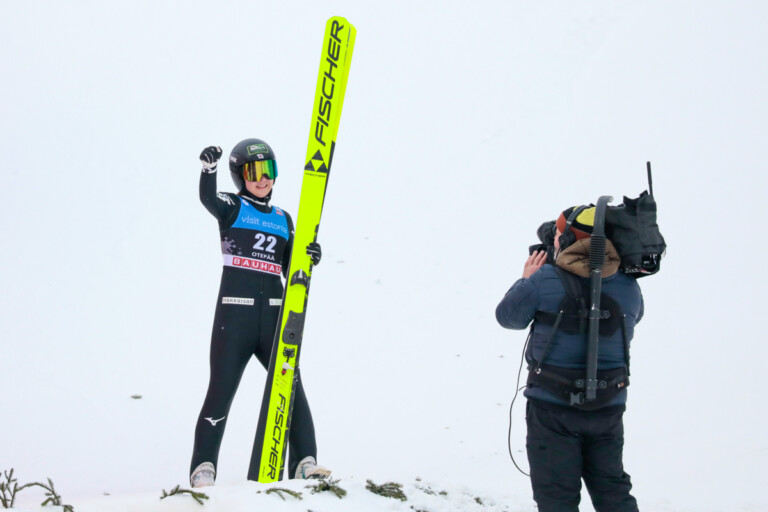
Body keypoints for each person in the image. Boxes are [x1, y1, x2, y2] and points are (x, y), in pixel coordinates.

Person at [190, 139, 330, 488]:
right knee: (221, 390)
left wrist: (309, 256)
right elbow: (208, 199)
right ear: (240, 175)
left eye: (269, 171)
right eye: (254, 172)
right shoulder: (232, 208)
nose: (263, 179)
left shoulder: (283, 218)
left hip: (274, 319)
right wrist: (209, 170)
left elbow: (290, 268)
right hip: (234, 318)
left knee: (292, 387)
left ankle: (304, 462)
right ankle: (203, 467)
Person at [495, 206, 644, 512]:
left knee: (556, 498)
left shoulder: (544, 278)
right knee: (612, 489)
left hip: (552, 406)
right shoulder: (628, 285)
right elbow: (634, 318)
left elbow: (508, 317)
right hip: (608, 405)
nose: (555, 240)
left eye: (561, 234)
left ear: (573, 238)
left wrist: (526, 279)